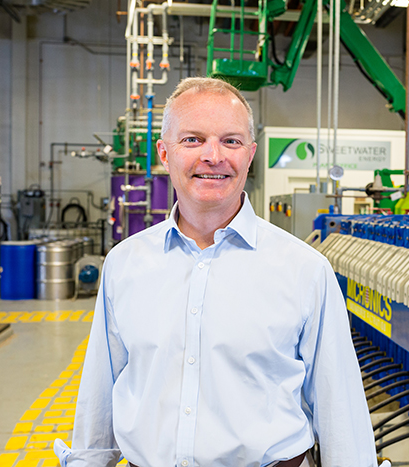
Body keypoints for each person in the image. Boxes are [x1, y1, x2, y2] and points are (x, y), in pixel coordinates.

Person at [54, 77, 378, 467]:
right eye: (192, 139)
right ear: (164, 153)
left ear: (250, 154)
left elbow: (338, 404)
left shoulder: (304, 269)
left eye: (231, 141)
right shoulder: (126, 264)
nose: (213, 156)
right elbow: (100, 391)